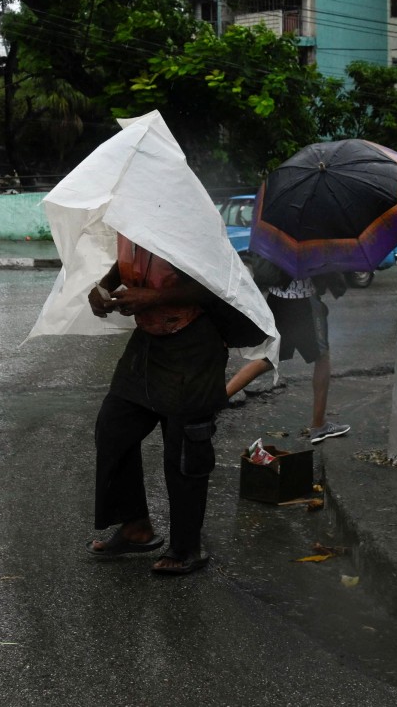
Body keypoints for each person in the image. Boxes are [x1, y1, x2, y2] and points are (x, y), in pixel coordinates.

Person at [85, 234, 230, 576]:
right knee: (113, 428)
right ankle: (136, 527)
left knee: (183, 450)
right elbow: (128, 262)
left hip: (194, 343)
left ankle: (186, 547)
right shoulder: (130, 213)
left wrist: (154, 296)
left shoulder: (184, 214)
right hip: (149, 342)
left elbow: (213, 285)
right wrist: (103, 287)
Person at [224, 269, 351, 444]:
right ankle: (318, 425)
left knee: (268, 359)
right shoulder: (308, 243)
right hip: (304, 305)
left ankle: (215, 402)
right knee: (322, 358)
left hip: (277, 301)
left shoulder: (276, 241)